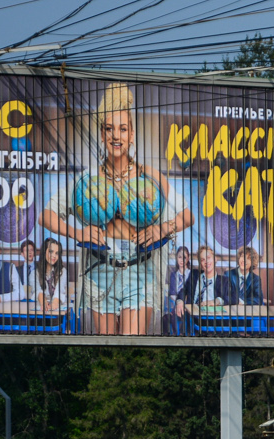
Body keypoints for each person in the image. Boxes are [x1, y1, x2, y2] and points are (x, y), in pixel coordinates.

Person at [40, 81, 193, 335]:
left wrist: (162, 229)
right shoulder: (87, 181)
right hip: (100, 270)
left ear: (131, 135)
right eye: (109, 129)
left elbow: (187, 215)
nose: (115, 136)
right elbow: (46, 215)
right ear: (102, 134)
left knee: (133, 349)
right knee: (108, 355)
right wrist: (77, 233)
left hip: (139, 270)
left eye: (122, 129)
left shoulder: (151, 178)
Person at [163, 245, 193, 333]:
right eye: (179, 257)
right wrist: (178, 303)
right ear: (176, 258)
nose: (182, 260)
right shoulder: (173, 275)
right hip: (176, 304)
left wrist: (184, 304)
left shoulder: (192, 274)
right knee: (166, 318)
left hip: (189, 305)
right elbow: (172, 294)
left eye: (184, 257)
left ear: (188, 258)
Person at [34, 238, 68, 313]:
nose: (54, 256)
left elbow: (59, 291)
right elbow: (38, 290)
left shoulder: (62, 271)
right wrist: (44, 303)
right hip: (40, 311)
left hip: (56, 312)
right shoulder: (35, 272)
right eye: (51, 251)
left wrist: (54, 303)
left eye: (57, 253)